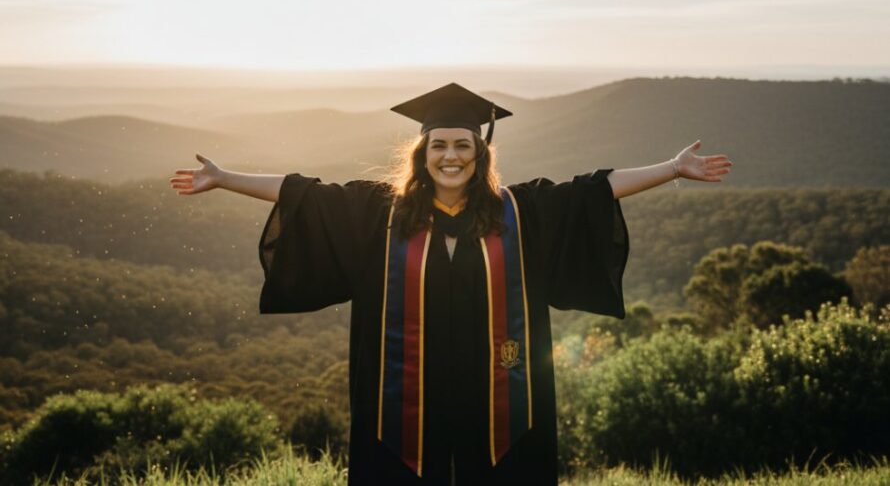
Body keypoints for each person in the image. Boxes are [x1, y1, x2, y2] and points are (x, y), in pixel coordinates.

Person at [169, 82, 732, 485]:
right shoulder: (378, 214)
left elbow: (594, 190)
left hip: (501, 393)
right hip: (404, 400)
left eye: (463, 145)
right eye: (438, 145)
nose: (451, 156)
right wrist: (223, 179)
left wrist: (672, 168)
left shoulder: (521, 211)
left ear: (480, 152)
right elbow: (304, 196)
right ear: (422, 154)